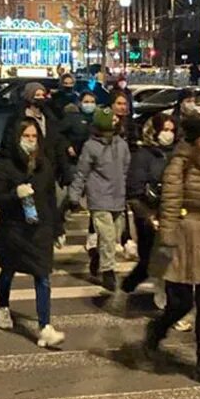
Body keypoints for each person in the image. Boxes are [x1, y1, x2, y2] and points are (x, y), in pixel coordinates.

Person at [143, 116, 200, 389]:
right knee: (180, 302)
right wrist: (168, 241)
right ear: (195, 140)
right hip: (183, 233)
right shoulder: (178, 166)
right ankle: (157, 330)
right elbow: (170, 204)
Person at [0, 119, 66, 348]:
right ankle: (3, 307)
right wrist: (15, 193)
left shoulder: (45, 166)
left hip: (39, 229)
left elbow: (51, 199)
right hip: (15, 229)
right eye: (27, 137)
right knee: (8, 271)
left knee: (43, 276)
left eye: (34, 137)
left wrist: (57, 228)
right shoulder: (7, 167)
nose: (31, 141)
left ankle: (45, 326)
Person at [68, 107, 131, 292]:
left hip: (118, 196)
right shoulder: (91, 146)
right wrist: (74, 196)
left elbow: (125, 169)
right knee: (108, 236)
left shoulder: (122, 145)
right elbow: (82, 172)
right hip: (99, 196)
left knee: (114, 235)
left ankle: (97, 255)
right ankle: (108, 271)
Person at [122, 113, 178, 296]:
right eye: (164, 130)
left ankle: (164, 295)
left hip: (169, 213)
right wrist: (147, 216)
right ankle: (130, 285)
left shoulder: (174, 153)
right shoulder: (143, 155)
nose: (168, 134)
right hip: (149, 213)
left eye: (171, 130)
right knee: (149, 259)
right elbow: (134, 189)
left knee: (168, 258)